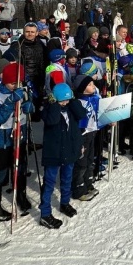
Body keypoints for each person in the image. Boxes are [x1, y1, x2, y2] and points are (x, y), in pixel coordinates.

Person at [0, 62, 33, 221]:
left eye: (19, 82)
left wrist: (28, 106)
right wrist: (10, 102)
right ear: (5, 81)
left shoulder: (21, 91)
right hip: (1, 141)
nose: (16, 86)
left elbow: (26, 113)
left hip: (19, 138)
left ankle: (20, 195)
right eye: (13, 83)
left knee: (20, 168)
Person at [40, 83, 86, 229]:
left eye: (67, 100)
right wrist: (54, 103)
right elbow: (52, 120)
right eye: (62, 101)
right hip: (53, 153)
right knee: (49, 183)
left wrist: (72, 100)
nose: (64, 103)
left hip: (69, 151)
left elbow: (82, 114)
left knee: (67, 179)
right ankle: (45, 213)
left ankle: (64, 203)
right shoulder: (49, 109)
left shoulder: (71, 107)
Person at [72, 71, 100, 202]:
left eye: (92, 83)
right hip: (82, 135)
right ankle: (78, 189)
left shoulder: (93, 98)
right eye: (89, 84)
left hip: (91, 133)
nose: (93, 86)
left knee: (89, 160)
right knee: (81, 163)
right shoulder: (78, 102)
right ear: (82, 88)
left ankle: (88, 183)